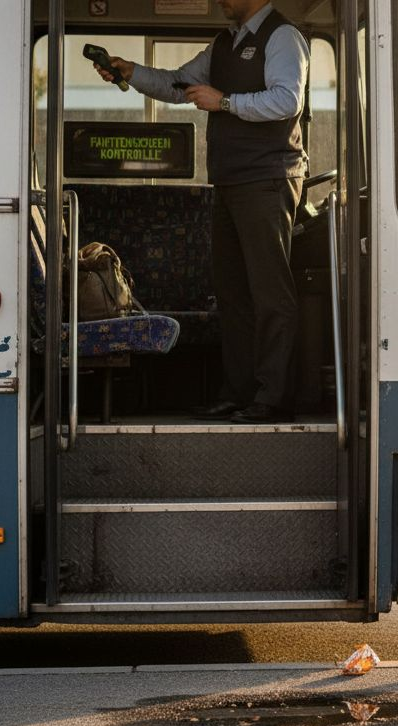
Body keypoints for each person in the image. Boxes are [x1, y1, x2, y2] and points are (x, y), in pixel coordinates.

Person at [95, 0, 308, 424]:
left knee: (269, 292)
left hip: (267, 179)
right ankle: (239, 392)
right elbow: (176, 83)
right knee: (232, 292)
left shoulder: (282, 37)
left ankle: (274, 397)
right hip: (230, 182)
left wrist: (224, 102)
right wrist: (130, 71)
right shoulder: (224, 44)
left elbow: (287, 100)